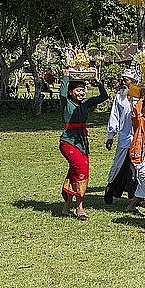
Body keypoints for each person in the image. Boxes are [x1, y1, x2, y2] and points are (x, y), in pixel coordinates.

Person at [59, 69, 108, 220]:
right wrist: (66, 76)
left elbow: (103, 97)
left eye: (83, 90)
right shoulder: (66, 103)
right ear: (71, 92)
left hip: (83, 143)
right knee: (81, 171)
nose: (81, 93)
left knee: (74, 173)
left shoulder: (85, 104)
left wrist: (98, 83)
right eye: (78, 90)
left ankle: (66, 208)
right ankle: (79, 207)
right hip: (68, 142)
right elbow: (61, 93)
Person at [104, 69, 139, 204]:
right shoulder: (120, 96)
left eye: (127, 80)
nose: (124, 82)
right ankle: (110, 188)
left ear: (134, 82)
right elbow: (115, 116)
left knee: (136, 168)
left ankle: (136, 196)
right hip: (125, 138)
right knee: (118, 164)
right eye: (123, 79)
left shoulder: (142, 96)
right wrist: (110, 135)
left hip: (139, 138)